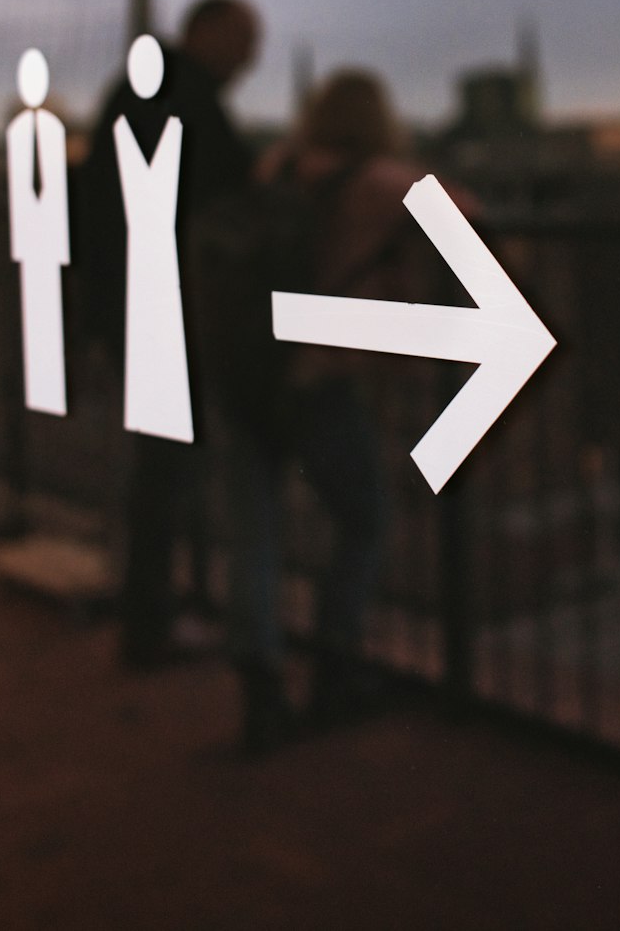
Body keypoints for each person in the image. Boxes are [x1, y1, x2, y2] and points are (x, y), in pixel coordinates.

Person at [225, 69, 476, 751]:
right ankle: (337, 667)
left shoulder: (275, 165)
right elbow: (466, 211)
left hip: (246, 374)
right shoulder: (378, 182)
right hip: (316, 376)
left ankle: (262, 691)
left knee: (258, 533)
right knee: (365, 520)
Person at [81, 0, 260, 667]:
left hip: (139, 304)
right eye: (244, 40)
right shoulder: (177, 93)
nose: (251, 58)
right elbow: (223, 185)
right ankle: (150, 625)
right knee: (168, 469)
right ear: (207, 31)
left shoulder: (154, 87)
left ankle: (151, 615)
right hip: (157, 309)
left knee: (165, 466)